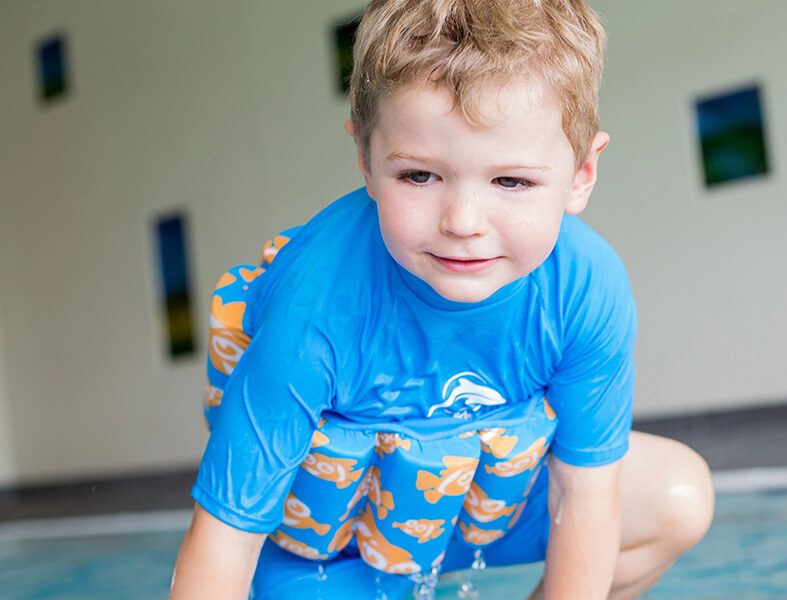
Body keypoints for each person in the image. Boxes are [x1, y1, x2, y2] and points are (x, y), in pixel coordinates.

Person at [170, 1, 714, 598]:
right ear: (366, 160)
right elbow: (225, 537)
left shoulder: (583, 289)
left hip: (485, 518)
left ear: (581, 174)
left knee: (677, 495)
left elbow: (584, 497)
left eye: (512, 181)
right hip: (329, 556)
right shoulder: (319, 304)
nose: (463, 221)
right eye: (419, 176)